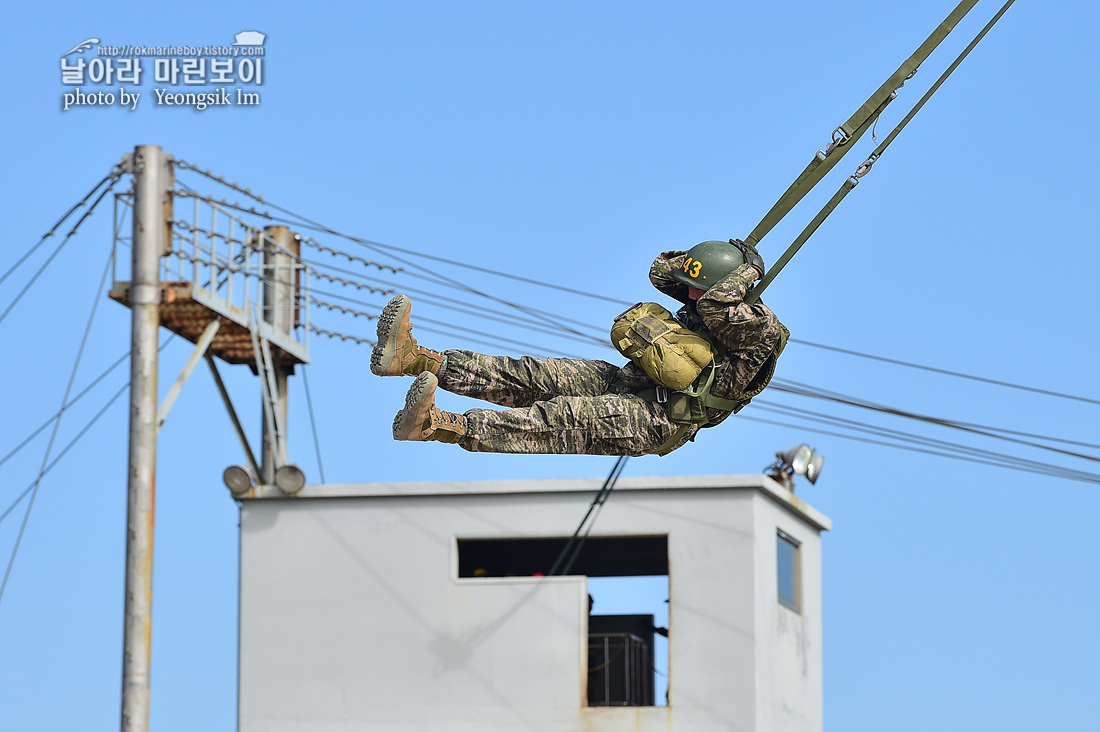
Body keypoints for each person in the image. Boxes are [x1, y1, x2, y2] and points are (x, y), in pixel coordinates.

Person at [369, 239, 788, 457]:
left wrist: (746, 269)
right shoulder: (710, 298)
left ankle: (438, 426)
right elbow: (661, 271)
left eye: (700, 289)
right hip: (630, 383)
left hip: (659, 420)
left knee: (559, 419)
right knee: (537, 375)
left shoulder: (759, 330)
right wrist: (716, 259)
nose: (691, 298)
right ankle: (415, 359)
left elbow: (715, 303)